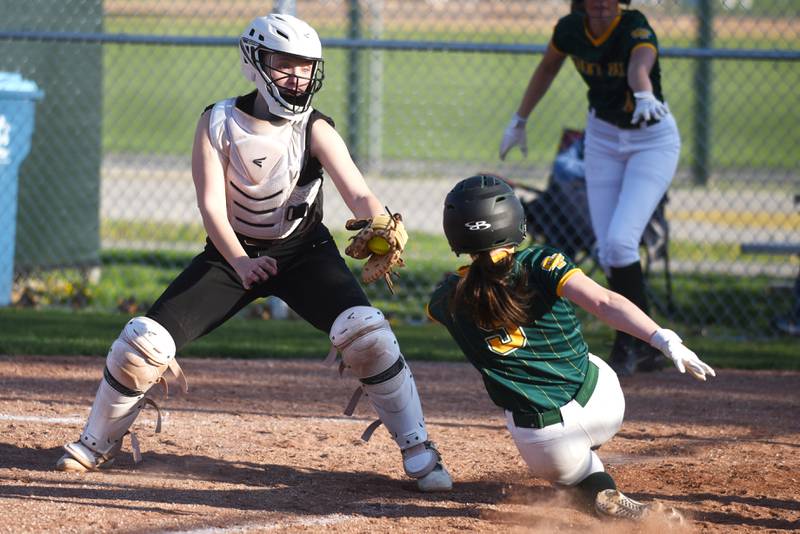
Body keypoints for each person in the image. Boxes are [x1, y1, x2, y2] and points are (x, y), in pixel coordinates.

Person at [55, 13, 452, 493]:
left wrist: (379, 222)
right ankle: (97, 442)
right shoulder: (218, 120)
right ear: (253, 62)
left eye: (305, 67)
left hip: (305, 252)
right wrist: (240, 261)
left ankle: (419, 448)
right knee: (144, 342)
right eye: (284, 63)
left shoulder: (315, 128)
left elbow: (357, 192)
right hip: (231, 255)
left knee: (367, 334)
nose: (297, 76)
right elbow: (211, 207)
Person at [428, 175, 714, 520]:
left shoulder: (446, 299)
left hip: (544, 443)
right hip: (602, 404)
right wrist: (662, 337)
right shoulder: (541, 263)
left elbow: (443, 305)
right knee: (582, 357)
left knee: (566, 462)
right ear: (514, 220)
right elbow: (606, 302)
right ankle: (593, 472)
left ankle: (593, 488)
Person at [499, 0, 679, 376]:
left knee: (618, 243)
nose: (600, 4)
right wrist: (519, 119)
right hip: (603, 138)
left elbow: (639, 63)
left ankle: (640, 341)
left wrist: (644, 91)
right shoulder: (570, 29)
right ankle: (638, 345)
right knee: (608, 247)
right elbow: (548, 66)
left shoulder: (633, 25)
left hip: (650, 141)